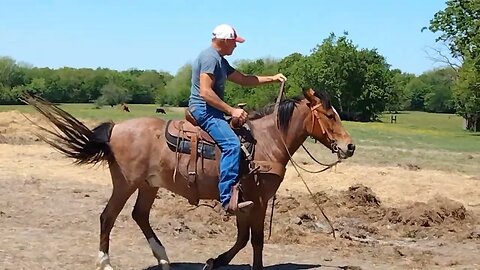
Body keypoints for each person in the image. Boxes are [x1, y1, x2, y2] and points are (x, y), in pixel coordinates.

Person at [188, 24, 287, 214]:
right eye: (234, 42)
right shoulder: (210, 58)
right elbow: (206, 92)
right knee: (232, 144)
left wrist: (272, 78)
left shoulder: (220, 60)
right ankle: (226, 199)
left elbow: (243, 79)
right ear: (224, 41)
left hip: (212, 109)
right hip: (204, 110)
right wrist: (231, 110)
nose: (236, 46)